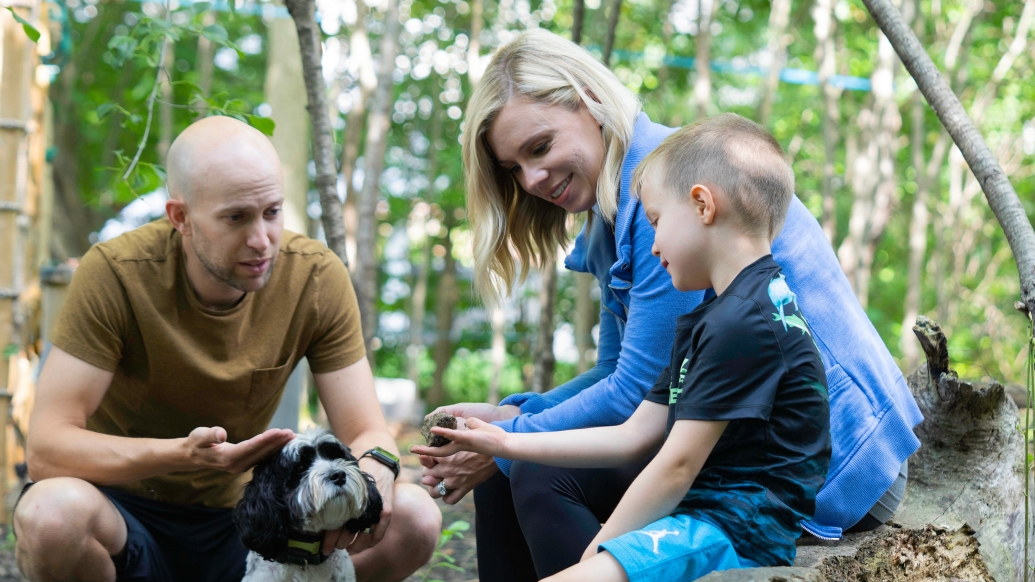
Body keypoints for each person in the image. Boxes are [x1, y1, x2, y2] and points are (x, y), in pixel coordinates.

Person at [418, 28, 922, 581]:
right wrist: (512, 421)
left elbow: (635, 404)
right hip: (730, 452)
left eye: (539, 148)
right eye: (513, 168)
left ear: (590, 99)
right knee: (515, 468)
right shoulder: (622, 212)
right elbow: (621, 375)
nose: (531, 179)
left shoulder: (672, 195)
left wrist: (512, 442)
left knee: (538, 474)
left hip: (825, 469)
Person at [14, 116, 441, 582]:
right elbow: (47, 449)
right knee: (50, 516)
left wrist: (377, 467)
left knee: (415, 518)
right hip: (122, 514)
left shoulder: (315, 277)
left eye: (273, 212)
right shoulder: (116, 274)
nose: (261, 241)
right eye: (236, 217)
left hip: (251, 525)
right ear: (181, 218)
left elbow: (366, 431)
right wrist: (183, 453)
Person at [415, 113, 832, 582]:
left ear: (702, 206)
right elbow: (635, 434)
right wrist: (507, 441)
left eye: (654, 221)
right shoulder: (717, 314)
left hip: (732, 529)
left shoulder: (743, 321)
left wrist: (597, 555)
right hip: (705, 514)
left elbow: (675, 466)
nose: (651, 247)